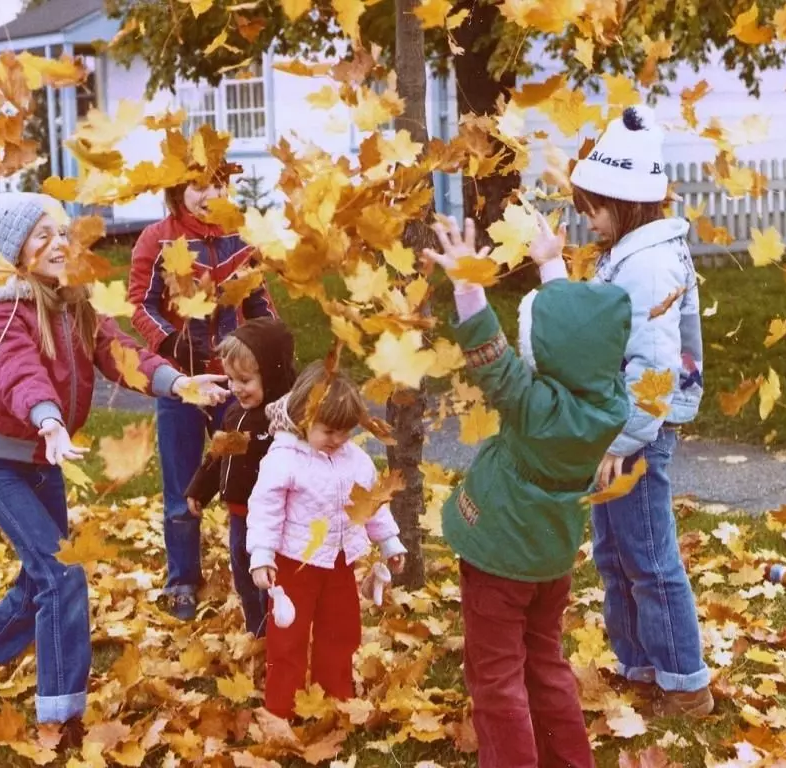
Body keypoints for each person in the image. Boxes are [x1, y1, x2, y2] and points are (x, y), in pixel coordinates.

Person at [0, 193, 228, 748]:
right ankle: (59, 718)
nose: (57, 244)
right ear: (13, 249)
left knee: (38, 582)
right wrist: (48, 420)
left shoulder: (75, 304)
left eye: (62, 233)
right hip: (1, 465)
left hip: (44, 464)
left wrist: (178, 382)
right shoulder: (5, 312)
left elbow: (124, 353)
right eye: (40, 234)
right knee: (62, 576)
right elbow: (17, 372)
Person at [422, 216, 633, 768]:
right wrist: (549, 263)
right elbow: (576, 339)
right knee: (545, 661)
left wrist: (468, 284)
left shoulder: (533, 407)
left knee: (495, 677)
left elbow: (491, 357)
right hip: (550, 558)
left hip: (500, 555)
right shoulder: (607, 403)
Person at [571, 105, 712, 717]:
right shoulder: (629, 252)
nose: (586, 222)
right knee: (614, 551)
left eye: (593, 209)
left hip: (636, 433)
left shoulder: (650, 263)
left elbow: (653, 372)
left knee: (649, 556)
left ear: (625, 203)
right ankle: (640, 664)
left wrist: (620, 441)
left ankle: (685, 682)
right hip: (617, 426)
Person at [128, 167, 277, 620]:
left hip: (235, 388)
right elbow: (140, 303)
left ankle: (256, 574)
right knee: (181, 487)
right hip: (181, 384)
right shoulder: (157, 240)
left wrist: (266, 350)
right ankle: (182, 580)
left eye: (218, 183)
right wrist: (168, 341)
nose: (210, 194)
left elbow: (259, 303)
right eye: (198, 185)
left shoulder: (241, 240)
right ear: (177, 189)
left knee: (248, 478)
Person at [246, 362, 407, 718]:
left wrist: (390, 542)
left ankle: (334, 696)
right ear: (304, 418)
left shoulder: (356, 460)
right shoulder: (284, 459)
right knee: (288, 635)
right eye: (329, 431)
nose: (337, 440)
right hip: (294, 563)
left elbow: (371, 505)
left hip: (339, 561)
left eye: (345, 432)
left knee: (340, 629)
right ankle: (282, 707)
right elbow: (265, 509)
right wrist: (261, 553)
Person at [185, 318, 297, 636]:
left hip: (275, 521)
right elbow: (219, 454)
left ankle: (280, 633)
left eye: (245, 380)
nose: (236, 388)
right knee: (245, 577)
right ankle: (257, 631)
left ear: (272, 373)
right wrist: (199, 489)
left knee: (271, 580)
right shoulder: (236, 413)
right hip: (239, 517)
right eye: (232, 379)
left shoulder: (283, 422)